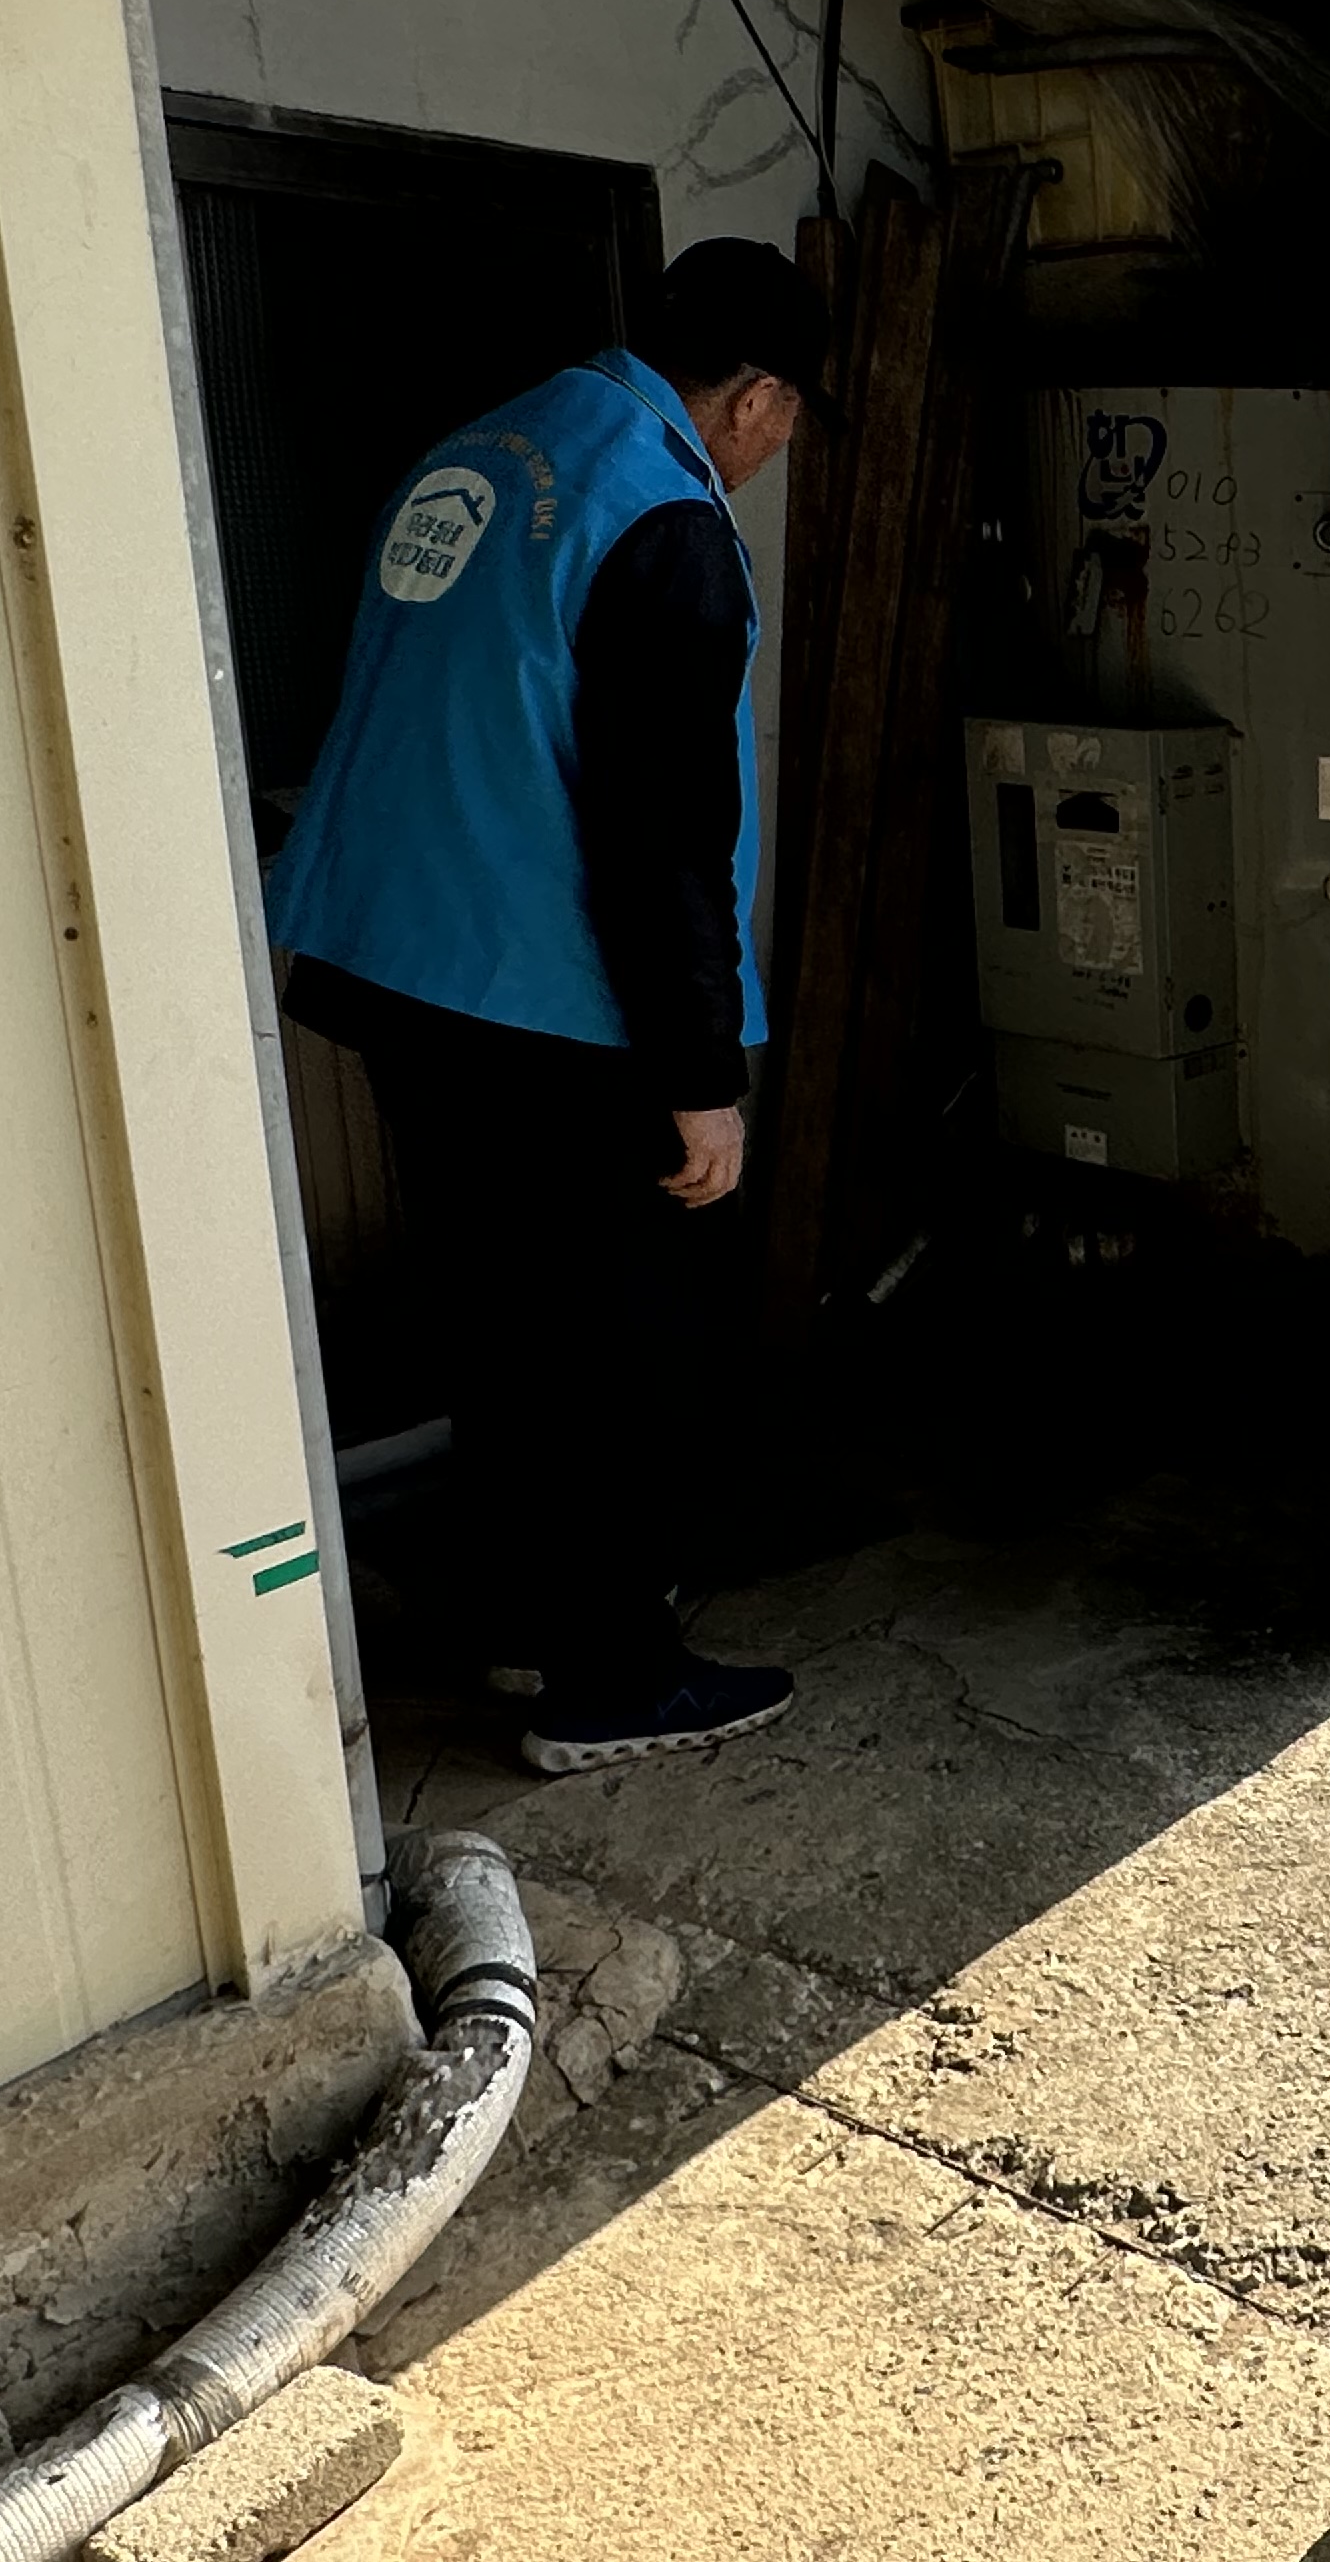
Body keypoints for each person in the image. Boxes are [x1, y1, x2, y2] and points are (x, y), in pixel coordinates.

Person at [268, 238, 825, 1777]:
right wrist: (702, 1076)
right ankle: (611, 1680)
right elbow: (665, 834)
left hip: (399, 967)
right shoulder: (664, 519)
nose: (779, 446)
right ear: (756, 397)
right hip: (543, 994)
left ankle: (533, 1615)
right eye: (789, 419)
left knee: (501, 1319)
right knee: (614, 1342)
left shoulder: (484, 453)